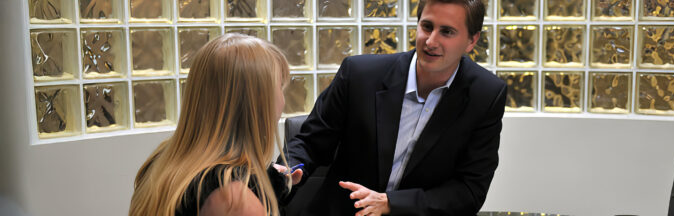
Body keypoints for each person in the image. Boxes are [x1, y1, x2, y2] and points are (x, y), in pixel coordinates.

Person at [284, 0, 506, 215]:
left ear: (471, 40)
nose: (430, 41)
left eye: (447, 32)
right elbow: (310, 142)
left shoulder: (485, 95)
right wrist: (288, 169)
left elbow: (469, 190)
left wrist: (390, 203)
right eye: (426, 27)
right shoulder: (360, 75)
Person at [129, 34, 302, 216]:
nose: (283, 100)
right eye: (280, 87)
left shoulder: (164, 162)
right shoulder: (235, 200)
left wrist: (267, 184)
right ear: (257, 104)